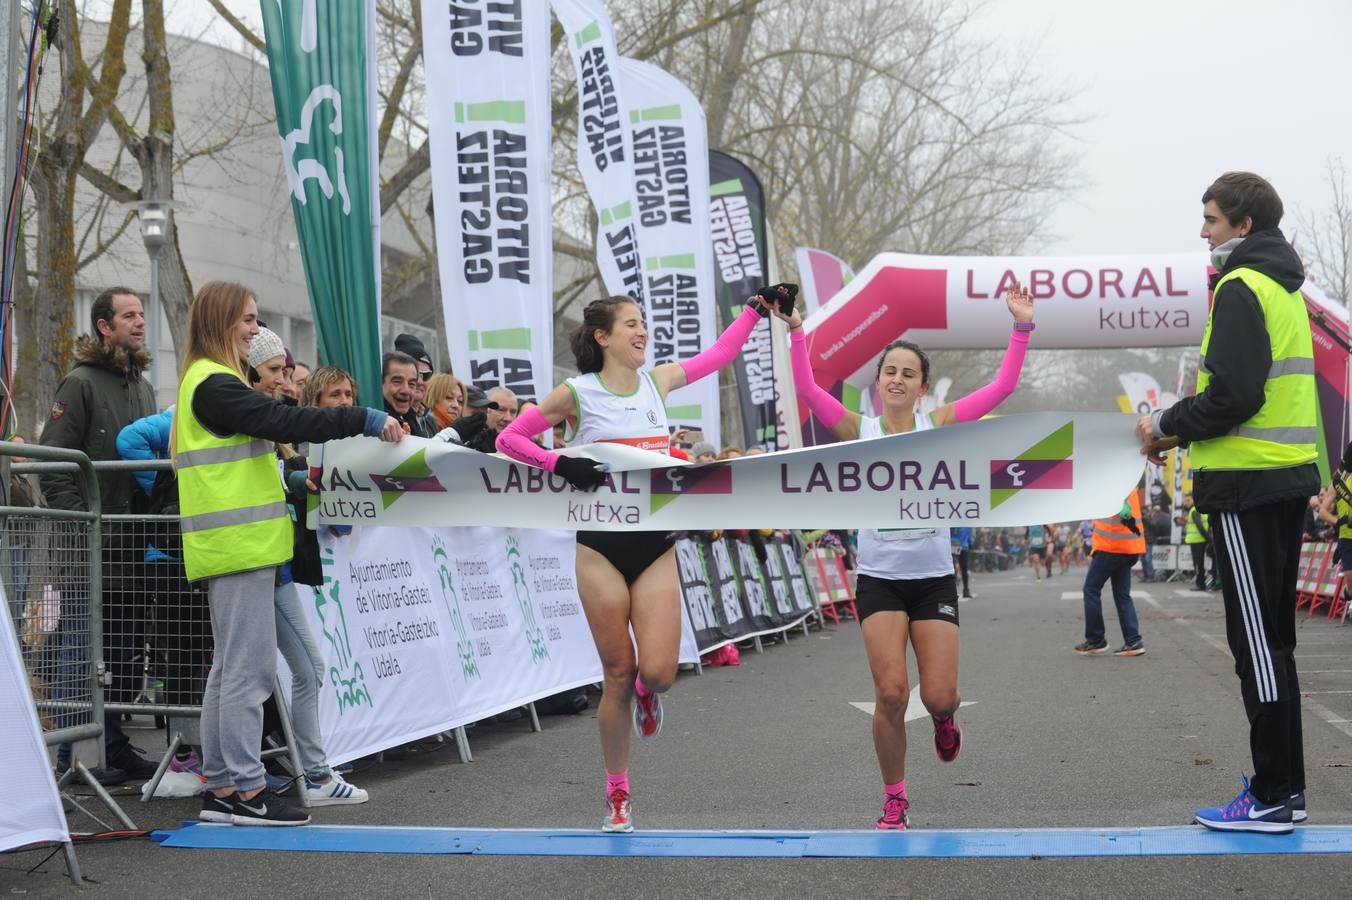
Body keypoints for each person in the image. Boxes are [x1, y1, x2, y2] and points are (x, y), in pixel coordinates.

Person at [494, 288, 783, 832]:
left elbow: (719, 356)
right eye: (631, 324)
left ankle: (653, 695)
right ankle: (618, 792)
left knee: (658, 672)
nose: (642, 332)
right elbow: (510, 438)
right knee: (617, 675)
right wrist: (560, 463)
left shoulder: (659, 381)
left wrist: (753, 309)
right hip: (598, 545)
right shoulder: (575, 393)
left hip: (654, 544)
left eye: (644, 323)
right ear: (603, 337)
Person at [787, 278, 1035, 830]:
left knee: (940, 695)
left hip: (932, 580)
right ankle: (895, 797)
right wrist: (798, 330)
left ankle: (946, 722)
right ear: (877, 383)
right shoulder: (860, 429)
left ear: (923, 388)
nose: (897, 379)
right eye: (889, 371)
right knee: (894, 694)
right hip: (878, 579)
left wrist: (1020, 326)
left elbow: (1000, 389)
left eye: (908, 373)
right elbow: (806, 389)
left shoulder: (938, 425)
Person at [175, 280, 403, 826]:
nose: (255, 330)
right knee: (247, 675)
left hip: (236, 547)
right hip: (238, 547)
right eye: (249, 319)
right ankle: (247, 792)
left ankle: (226, 788)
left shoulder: (210, 382)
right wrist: (362, 418)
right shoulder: (214, 385)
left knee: (230, 672)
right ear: (223, 321)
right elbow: (284, 422)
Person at [1138, 172, 1319, 834]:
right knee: (1275, 643)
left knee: (1258, 647)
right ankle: (1286, 791)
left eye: (1211, 218)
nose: (1204, 230)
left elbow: (1234, 396)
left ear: (1243, 226)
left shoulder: (1241, 286)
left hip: (1247, 487)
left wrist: (1165, 424)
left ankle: (1273, 793)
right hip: (1282, 480)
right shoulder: (1281, 286)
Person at [40, 286, 159, 783]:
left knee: (124, 657)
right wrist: (84, 524)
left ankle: (113, 744)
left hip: (135, 552)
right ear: (104, 326)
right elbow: (52, 465)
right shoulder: (80, 382)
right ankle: (76, 752)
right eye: (128, 315)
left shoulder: (145, 388)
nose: (139, 322)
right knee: (80, 656)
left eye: (142, 314)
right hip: (91, 554)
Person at [246, 337, 370, 807]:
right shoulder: (238, 411)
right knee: (280, 672)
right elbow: (137, 440)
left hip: (265, 560)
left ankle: (236, 778)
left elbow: (284, 483)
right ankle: (307, 776)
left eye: (285, 369)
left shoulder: (268, 424)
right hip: (251, 560)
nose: (284, 380)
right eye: (275, 370)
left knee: (252, 673)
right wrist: (300, 481)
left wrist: (300, 481)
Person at [1074, 490, 1146, 657]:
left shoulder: (1113, 481)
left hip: (1111, 546)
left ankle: (1095, 639)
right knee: (1122, 595)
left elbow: (1119, 508)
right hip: (1129, 547)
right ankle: (1133, 641)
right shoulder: (1129, 482)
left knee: (1091, 590)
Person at [381, 351, 433, 437]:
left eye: (411, 384)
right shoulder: (370, 425)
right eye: (397, 382)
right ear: (381, 383)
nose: (406, 390)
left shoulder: (413, 421)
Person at [1182, 495, 1215, 591]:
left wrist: (1209, 539)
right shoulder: (1200, 509)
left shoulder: (1194, 510)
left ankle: (1200, 584)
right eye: (1185, 501)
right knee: (1200, 563)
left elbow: (1200, 526)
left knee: (1198, 564)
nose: (1186, 503)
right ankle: (1201, 584)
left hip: (1197, 540)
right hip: (1200, 539)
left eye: (1188, 500)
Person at [951, 527, 973, 599]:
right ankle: (953, 592)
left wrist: (970, 542)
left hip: (963, 546)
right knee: (953, 568)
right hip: (954, 544)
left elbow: (969, 533)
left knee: (964, 568)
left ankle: (966, 590)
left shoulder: (967, 522)